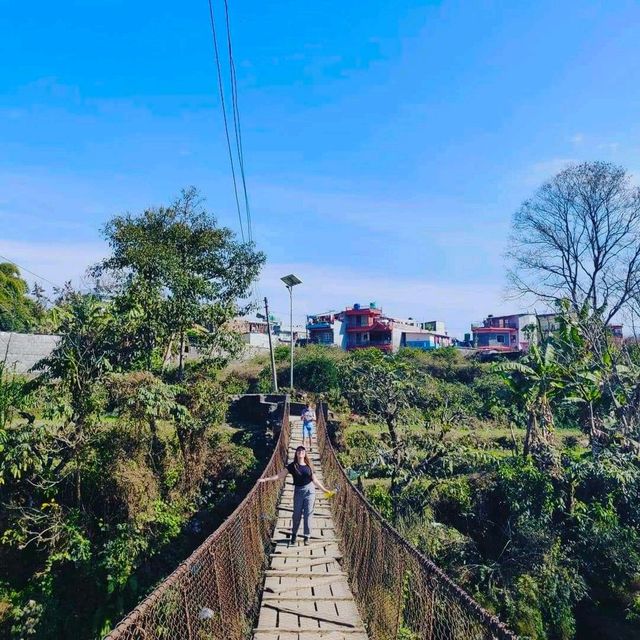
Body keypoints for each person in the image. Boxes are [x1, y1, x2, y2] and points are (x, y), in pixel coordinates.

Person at [258, 445, 330, 545]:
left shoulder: (309, 465)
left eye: (302, 451)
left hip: (310, 491)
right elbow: (280, 475)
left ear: (305, 454)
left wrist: (325, 490)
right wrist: (266, 479)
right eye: (299, 451)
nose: (301, 452)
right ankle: (294, 534)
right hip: (298, 491)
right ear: (296, 453)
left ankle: (306, 536)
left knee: (308, 514)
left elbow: (315, 480)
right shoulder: (292, 466)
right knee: (296, 515)